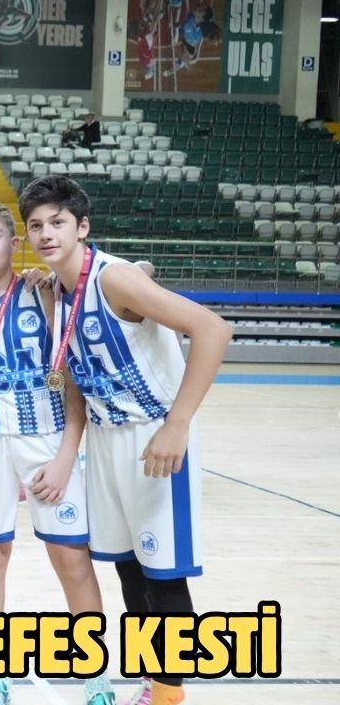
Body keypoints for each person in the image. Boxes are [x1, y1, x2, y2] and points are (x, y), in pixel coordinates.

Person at [23, 175, 231, 705]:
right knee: (129, 569)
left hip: (155, 431)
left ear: (82, 227)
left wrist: (177, 424)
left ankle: (170, 692)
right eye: (37, 225)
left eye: (57, 222)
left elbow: (213, 329)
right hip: (106, 438)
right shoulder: (57, 291)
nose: (46, 234)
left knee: (164, 576)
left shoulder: (114, 279)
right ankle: (152, 679)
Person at [0, 200, 112, 705]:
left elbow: (73, 381)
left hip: (46, 437)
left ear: (14, 243)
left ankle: (96, 678)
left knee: (71, 557)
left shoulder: (46, 292)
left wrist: (66, 457)